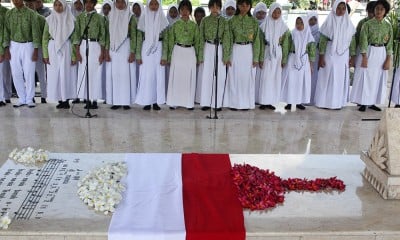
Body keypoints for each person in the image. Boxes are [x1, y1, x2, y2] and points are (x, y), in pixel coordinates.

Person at [351, 0, 392, 112]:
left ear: (385, 11)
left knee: (377, 78)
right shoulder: (367, 24)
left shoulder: (388, 26)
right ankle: (363, 102)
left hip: (381, 53)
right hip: (369, 51)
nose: (379, 11)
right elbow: (363, 41)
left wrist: (388, 59)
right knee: (366, 77)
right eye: (377, 8)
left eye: (382, 9)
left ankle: (372, 102)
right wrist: (364, 57)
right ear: (374, 10)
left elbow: (389, 44)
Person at [314, 0, 356, 110]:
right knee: (327, 76)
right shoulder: (329, 21)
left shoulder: (348, 24)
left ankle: (337, 103)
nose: (341, 10)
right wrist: (321, 57)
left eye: (343, 8)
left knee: (339, 78)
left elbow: (352, 41)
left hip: (343, 55)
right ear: (334, 8)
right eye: (339, 8)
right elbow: (322, 40)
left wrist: (353, 56)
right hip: (330, 53)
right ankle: (323, 102)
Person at [223, 0, 260, 111]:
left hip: (248, 51)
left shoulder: (253, 21)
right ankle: (234, 103)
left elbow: (257, 40)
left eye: (247, 5)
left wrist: (256, 57)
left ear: (250, 6)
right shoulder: (232, 21)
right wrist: (227, 56)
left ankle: (245, 104)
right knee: (234, 76)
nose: (244, 7)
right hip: (236, 50)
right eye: (242, 5)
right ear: (238, 6)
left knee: (247, 77)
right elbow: (228, 39)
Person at [3, 0, 40, 108]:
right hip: (13, 45)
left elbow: (35, 32)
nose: (15, 1)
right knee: (16, 73)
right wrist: (6, 49)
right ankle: (21, 98)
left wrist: (36, 50)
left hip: (28, 45)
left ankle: (29, 99)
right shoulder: (9, 13)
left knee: (29, 72)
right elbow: (6, 32)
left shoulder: (31, 13)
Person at [72, 0, 106, 109]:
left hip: (95, 45)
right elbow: (76, 35)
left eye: (91, 3)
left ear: (94, 4)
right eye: (86, 2)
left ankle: (94, 99)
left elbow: (103, 35)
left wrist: (102, 52)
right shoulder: (80, 17)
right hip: (83, 45)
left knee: (95, 72)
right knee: (84, 72)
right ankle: (86, 99)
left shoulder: (100, 18)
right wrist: (77, 52)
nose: (88, 5)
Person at [135, 0, 169, 111]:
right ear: (148, 5)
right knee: (147, 75)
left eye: (156, 4)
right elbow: (139, 38)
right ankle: (146, 101)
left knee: (157, 75)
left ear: (159, 5)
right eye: (152, 4)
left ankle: (156, 102)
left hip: (158, 48)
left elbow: (166, 39)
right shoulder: (143, 18)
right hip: (146, 49)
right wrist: (138, 55)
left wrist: (164, 56)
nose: (154, 6)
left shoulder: (163, 19)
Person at [166, 0, 199, 110]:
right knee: (177, 76)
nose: (184, 12)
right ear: (179, 11)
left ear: (190, 11)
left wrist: (199, 57)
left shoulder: (194, 26)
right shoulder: (175, 25)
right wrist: (169, 57)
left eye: (187, 9)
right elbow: (171, 41)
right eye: (182, 9)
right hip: (177, 51)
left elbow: (198, 42)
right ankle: (174, 102)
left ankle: (188, 103)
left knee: (188, 77)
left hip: (190, 51)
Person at [42, 0, 76, 109]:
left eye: (60, 5)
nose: (58, 7)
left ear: (65, 6)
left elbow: (75, 39)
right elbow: (44, 38)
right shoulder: (49, 19)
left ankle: (66, 99)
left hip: (67, 47)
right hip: (53, 48)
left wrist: (74, 55)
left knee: (66, 74)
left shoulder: (71, 20)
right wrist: (45, 55)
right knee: (55, 74)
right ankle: (59, 99)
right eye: (55, 5)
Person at [106, 0, 139, 110]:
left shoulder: (131, 17)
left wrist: (133, 52)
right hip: (113, 49)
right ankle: (116, 101)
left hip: (126, 48)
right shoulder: (110, 16)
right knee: (115, 74)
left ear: (126, 3)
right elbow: (107, 35)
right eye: (118, 2)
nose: (120, 5)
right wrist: (106, 51)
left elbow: (134, 35)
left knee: (125, 75)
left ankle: (125, 102)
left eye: (122, 2)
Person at [198, 0, 229, 111]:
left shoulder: (224, 21)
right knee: (207, 75)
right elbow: (200, 38)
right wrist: (200, 55)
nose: (215, 8)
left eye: (217, 6)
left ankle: (217, 103)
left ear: (220, 7)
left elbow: (227, 38)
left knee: (219, 76)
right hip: (208, 47)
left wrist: (226, 56)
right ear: (209, 7)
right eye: (213, 6)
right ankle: (206, 102)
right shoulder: (204, 20)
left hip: (219, 48)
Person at [258, 2, 289, 110]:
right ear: (270, 12)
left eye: (278, 12)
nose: (276, 14)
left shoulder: (284, 27)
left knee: (275, 77)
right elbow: (260, 43)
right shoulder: (263, 26)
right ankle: (264, 101)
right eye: (274, 12)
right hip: (267, 51)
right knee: (266, 77)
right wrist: (260, 58)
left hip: (278, 54)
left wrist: (284, 59)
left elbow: (285, 44)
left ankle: (273, 101)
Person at [281, 16, 316, 110]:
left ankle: (299, 102)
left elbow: (312, 51)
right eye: (297, 23)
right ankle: (289, 102)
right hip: (292, 59)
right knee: (291, 81)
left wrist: (311, 65)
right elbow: (286, 47)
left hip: (304, 61)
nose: (299, 25)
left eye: (301, 23)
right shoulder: (291, 34)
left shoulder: (309, 36)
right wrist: (284, 60)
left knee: (301, 82)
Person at [25, 0, 47, 104]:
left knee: (41, 73)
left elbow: (44, 36)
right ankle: (31, 96)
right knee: (29, 74)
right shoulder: (24, 18)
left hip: (39, 49)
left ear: (35, 5)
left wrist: (44, 52)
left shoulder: (41, 19)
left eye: (30, 4)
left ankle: (44, 96)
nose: (28, 6)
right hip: (27, 48)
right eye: (27, 4)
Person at [253, 1, 267, 104]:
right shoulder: (252, 24)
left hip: (265, 55)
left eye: (263, 13)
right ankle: (253, 98)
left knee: (262, 78)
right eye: (259, 12)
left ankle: (261, 99)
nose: (261, 15)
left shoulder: (268, 25)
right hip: (252, 53)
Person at [307, 11, 319, 105]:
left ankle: (311, 100)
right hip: (305, 57)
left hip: (315, 58)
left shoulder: (320, 32)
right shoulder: (304, 30)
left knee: (314, 78)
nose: (313, 21)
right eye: (311, 19)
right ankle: (303, 99)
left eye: (315, 19)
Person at [0, 0, 11, 106]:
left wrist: (4, 49)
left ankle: (5, 97)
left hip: (3, 46)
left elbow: (6, 32)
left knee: (5, 73)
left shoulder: (6, 12)